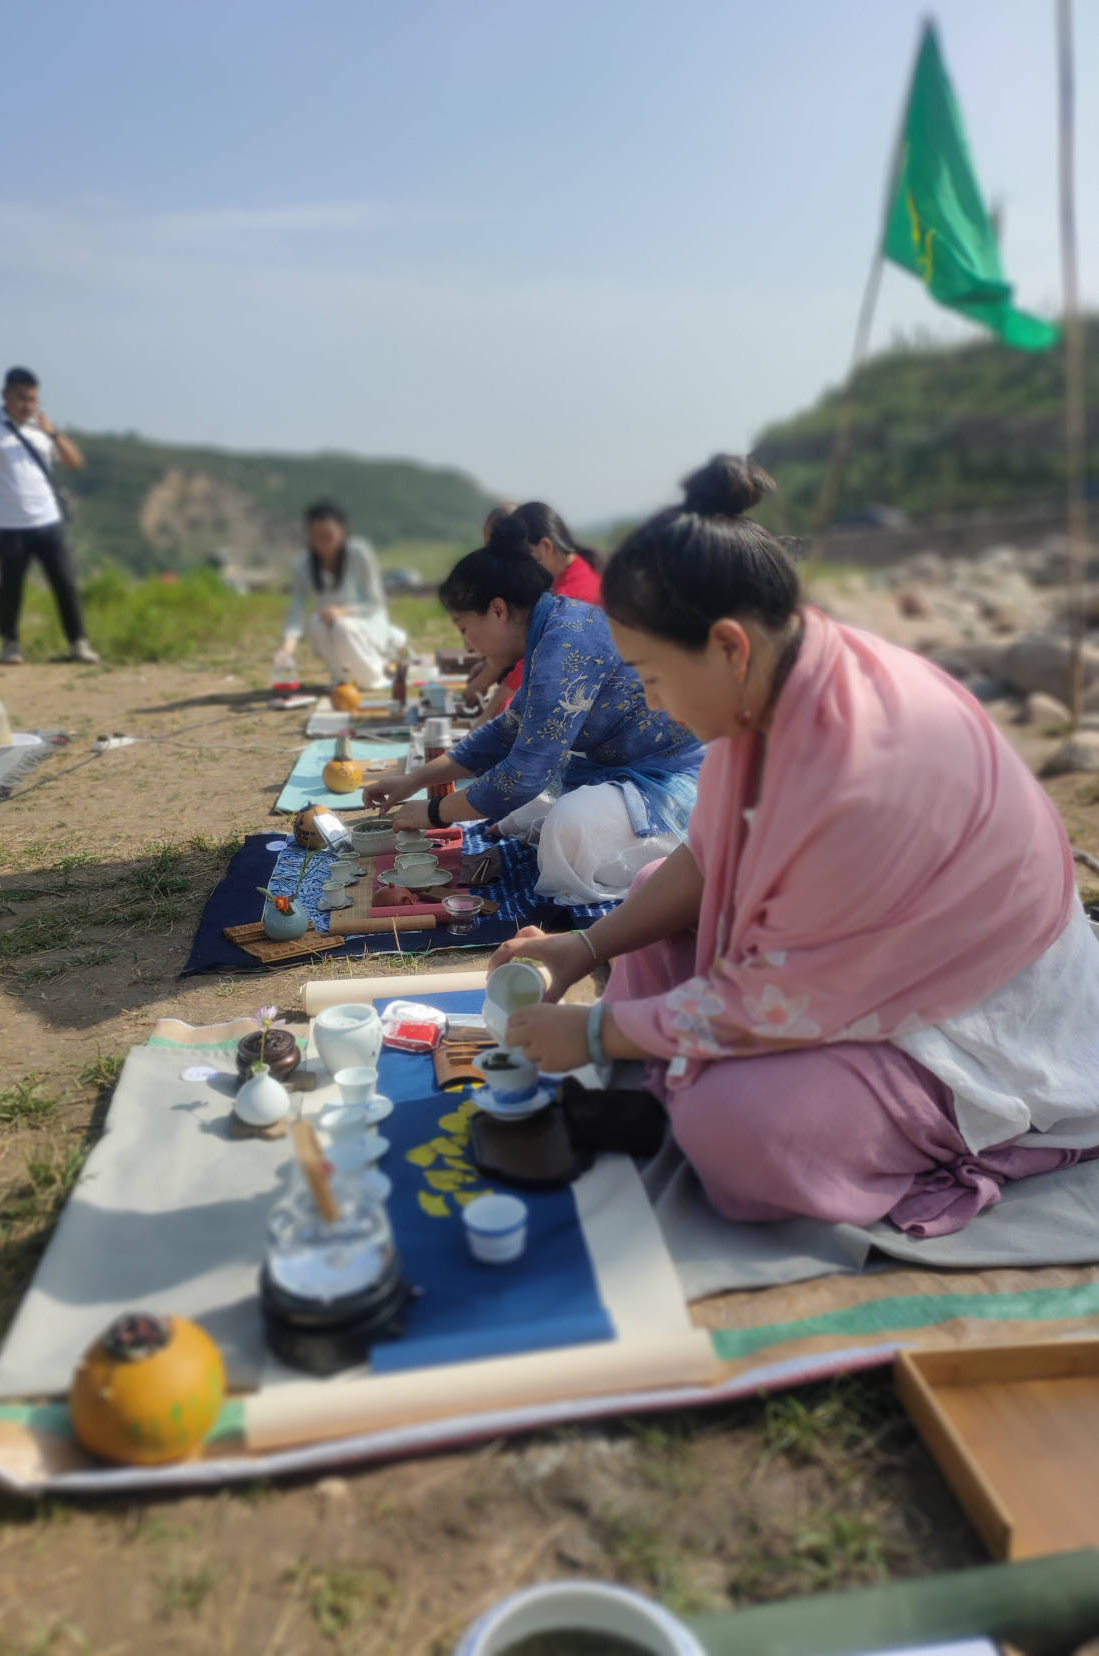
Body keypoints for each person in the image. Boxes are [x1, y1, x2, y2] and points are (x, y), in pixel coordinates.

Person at [491, 454, 1099, 1239]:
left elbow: (773, 998)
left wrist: (599, 1033)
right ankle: (675, 1073)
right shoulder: (785, 682)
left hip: (971, 1011)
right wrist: (585, 945)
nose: (651, 700)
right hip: (862, 960)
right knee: (648, 892)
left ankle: (966, 1133)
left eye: (650, 675)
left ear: (729, 647)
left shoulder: (861, 762)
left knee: (737, 1132)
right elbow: (710, 859)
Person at [362, 534, 704, 902]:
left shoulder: (564, 641)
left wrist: (434, 813)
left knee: (567, 824)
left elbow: (522, 775)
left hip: (674, 779)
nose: (466, 645)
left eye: (464, 628)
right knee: (522, 809)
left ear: (497, 610)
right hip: (625, 770)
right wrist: (415, 780)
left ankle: (671, 860)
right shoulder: (554, 628)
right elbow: (506, 733)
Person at [0, 367, 98, 665]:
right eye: (21, 398)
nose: (27, 405)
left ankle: (79, 643)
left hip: (47, 521)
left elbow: (76, 463)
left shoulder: (42, 429)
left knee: (65, 582)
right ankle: (10, 645)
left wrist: (54, 433)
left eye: (33, 399)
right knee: (11, 586)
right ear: (5, 395)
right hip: (7, 524)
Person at [470, 504, 604, 726]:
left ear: (544, 548)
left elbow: (531, 665)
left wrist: (484, 720)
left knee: (511, 712)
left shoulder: (570, 597)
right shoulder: (572, 575)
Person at [273, 500, 404, 690]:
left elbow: (375, 601)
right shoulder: (303, 564)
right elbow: (297, 607)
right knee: (315, 623)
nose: (323, 544)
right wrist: (286, 649)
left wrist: (343, 611)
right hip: (329, 626)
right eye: (317, 537)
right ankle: (342, 677)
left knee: (343, 627)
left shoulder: (359, 553)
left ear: (342, 533)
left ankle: (374, 677)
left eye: (329, 536)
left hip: (365, 623)